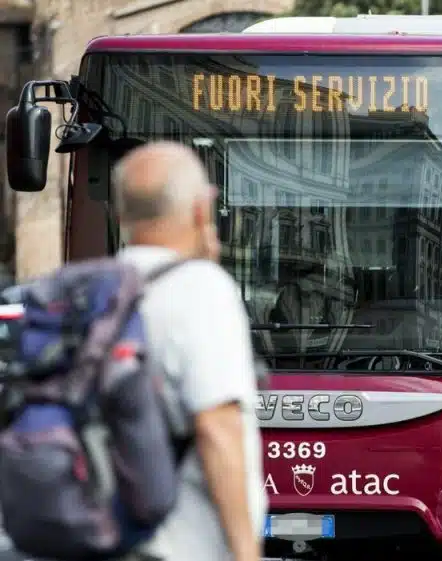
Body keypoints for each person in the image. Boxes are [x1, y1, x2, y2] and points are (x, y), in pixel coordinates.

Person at [112, 141, 265, 561]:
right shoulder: (200, 288)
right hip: (182, 547)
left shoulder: (99, 287)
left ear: (122, 215)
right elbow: (217, 428)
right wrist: (246, 554)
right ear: (202, 210)